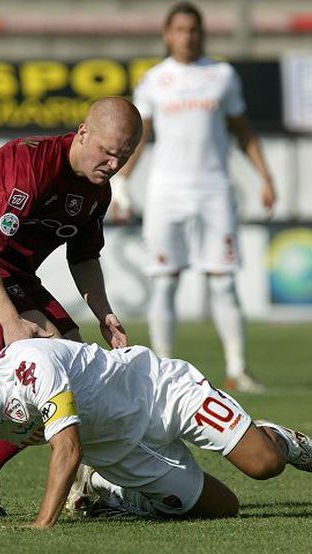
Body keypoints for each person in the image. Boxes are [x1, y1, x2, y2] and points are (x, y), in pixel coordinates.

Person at [0, 97, 143, 516]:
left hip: (10, 270)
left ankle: (84, 487)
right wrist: (10, 321)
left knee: (77, 359)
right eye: (108, 151)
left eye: (125, 156)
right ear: (82, 132)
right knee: (48, 358)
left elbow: (83, 257)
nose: (114, 163)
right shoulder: (33, 165)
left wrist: (104, 313)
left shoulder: (98, 191)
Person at [0, 338, 312, 527]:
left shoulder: (30, 367)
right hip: (118, 452)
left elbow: (67, 449)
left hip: (161, 393)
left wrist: (42, 525)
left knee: (264, 464)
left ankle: (276, 436)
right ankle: (116, 493)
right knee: (223, 509)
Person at [110, 1, 277, 393]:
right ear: (168, 34)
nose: (188, 36)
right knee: (165, 281)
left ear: (203, 33)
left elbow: (242, 129)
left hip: (214, 190)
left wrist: (265, 177)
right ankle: (163, 370)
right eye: (181, 29)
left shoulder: (222, 75)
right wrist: (121, 184)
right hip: (167, 192)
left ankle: (237, 369)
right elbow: (140, 136)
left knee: (223, 281)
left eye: (194, 29)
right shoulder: (154, 79)